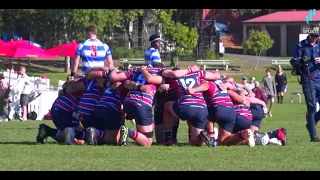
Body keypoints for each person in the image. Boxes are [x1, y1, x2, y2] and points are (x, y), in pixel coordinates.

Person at [290, 33, 320, 142]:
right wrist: (300, 62)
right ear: (309, 35)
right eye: (314, 36)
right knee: (311, 107)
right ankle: (313, 136)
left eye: (317, 36)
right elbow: (293, 61)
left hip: (319, 77)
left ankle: (312, 122)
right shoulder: (301, 46)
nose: (315, 39)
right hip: (307, 79)